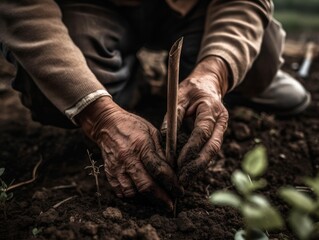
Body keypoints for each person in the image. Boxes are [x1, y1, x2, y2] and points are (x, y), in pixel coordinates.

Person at [0, 0, 311, 210]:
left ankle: (220, 80)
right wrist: (100, 115)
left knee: (257, 57)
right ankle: (130, 87)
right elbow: (20, 8)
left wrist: (214, 73)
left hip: (193, 8)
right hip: (93, 8)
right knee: (53, 94)